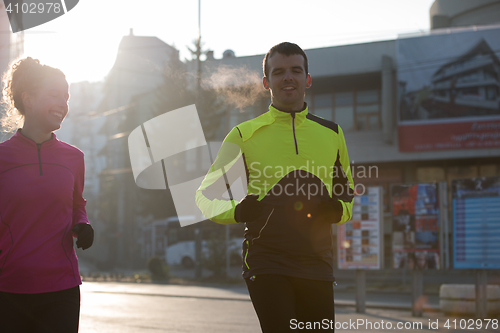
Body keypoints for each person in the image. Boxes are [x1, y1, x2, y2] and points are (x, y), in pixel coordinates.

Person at [196, 42, 354, 332]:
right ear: (266, 82)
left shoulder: (332, 133)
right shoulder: (243, 135)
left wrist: (339, 209)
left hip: (317, 261)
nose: (288, 77)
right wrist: (237, 211)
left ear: (307, 78)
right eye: (279, 72)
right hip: (266, 260)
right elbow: (204, 195)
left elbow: (346, 191)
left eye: (296, 70)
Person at [0, 57, 94, 333]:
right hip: (10, 287)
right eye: (54, 95)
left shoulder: (74, 158)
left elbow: (77, 203)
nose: (64, 104)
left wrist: (83, 224)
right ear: (28, 99)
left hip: (61, 286)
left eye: (66, 97)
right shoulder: (2, 158)